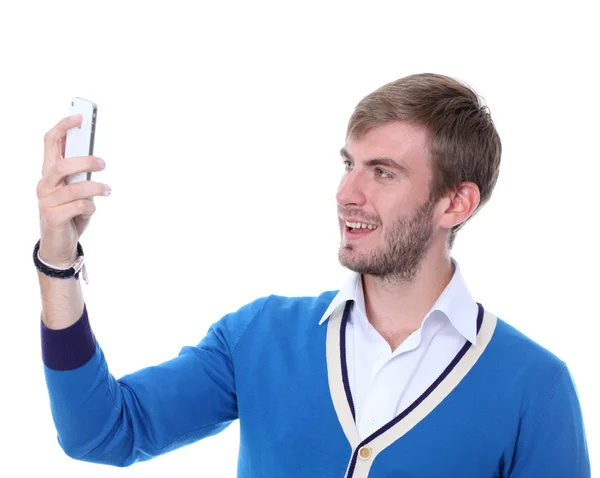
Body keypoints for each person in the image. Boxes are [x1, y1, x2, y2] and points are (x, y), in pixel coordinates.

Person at [35, 73, 590, 478]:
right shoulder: (259, 336)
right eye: (349, 164)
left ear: (455, 203)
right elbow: (101, 431)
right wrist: (59, 262)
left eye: (382, 172)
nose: (347, 194)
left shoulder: (534, 388)